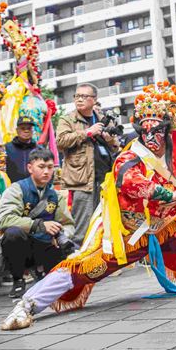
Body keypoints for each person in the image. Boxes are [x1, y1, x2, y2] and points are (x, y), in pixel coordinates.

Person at [1, 82, 176, 330]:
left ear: (166, 131)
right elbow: (131, 182)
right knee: (83, 268)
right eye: (145, 131)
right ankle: (27, 304)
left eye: (157, 130)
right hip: (124, 234)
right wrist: (172, 194)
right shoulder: (129, 157)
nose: (152, 137)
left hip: (160, 227)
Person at [0, 148, 75, 298]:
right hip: (24, 245)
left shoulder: (55, 196)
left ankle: (45, 274)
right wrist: (40, 225)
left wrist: (61, 234)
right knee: (13, 234)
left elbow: (68, 224)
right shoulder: (17, 190)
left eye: (50, 167)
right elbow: (4, 220)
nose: (46, 172)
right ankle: (18, 280)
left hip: (46, 245)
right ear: (30, 168)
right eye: (41, 167)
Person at [56, 83, 121, 246]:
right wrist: (87, 132)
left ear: (94, 99)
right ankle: (80, 263)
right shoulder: (68, 119)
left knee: (104, 222)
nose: (79, 99)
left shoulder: (101, 117)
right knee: (83, 226)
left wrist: (110, 140)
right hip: (82, 179)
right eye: (77, 96)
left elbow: (115, 145)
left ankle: (101, 263)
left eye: (84, 96)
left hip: (105, 177)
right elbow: (60, 142)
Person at [5, 116, 41, 183]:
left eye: (29, 128)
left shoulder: (39, 150)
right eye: (23, 128)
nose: (26, 131)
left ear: (32, 130)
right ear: (17, 130)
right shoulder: (7, 148)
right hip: (12, 188)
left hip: (34, 188)